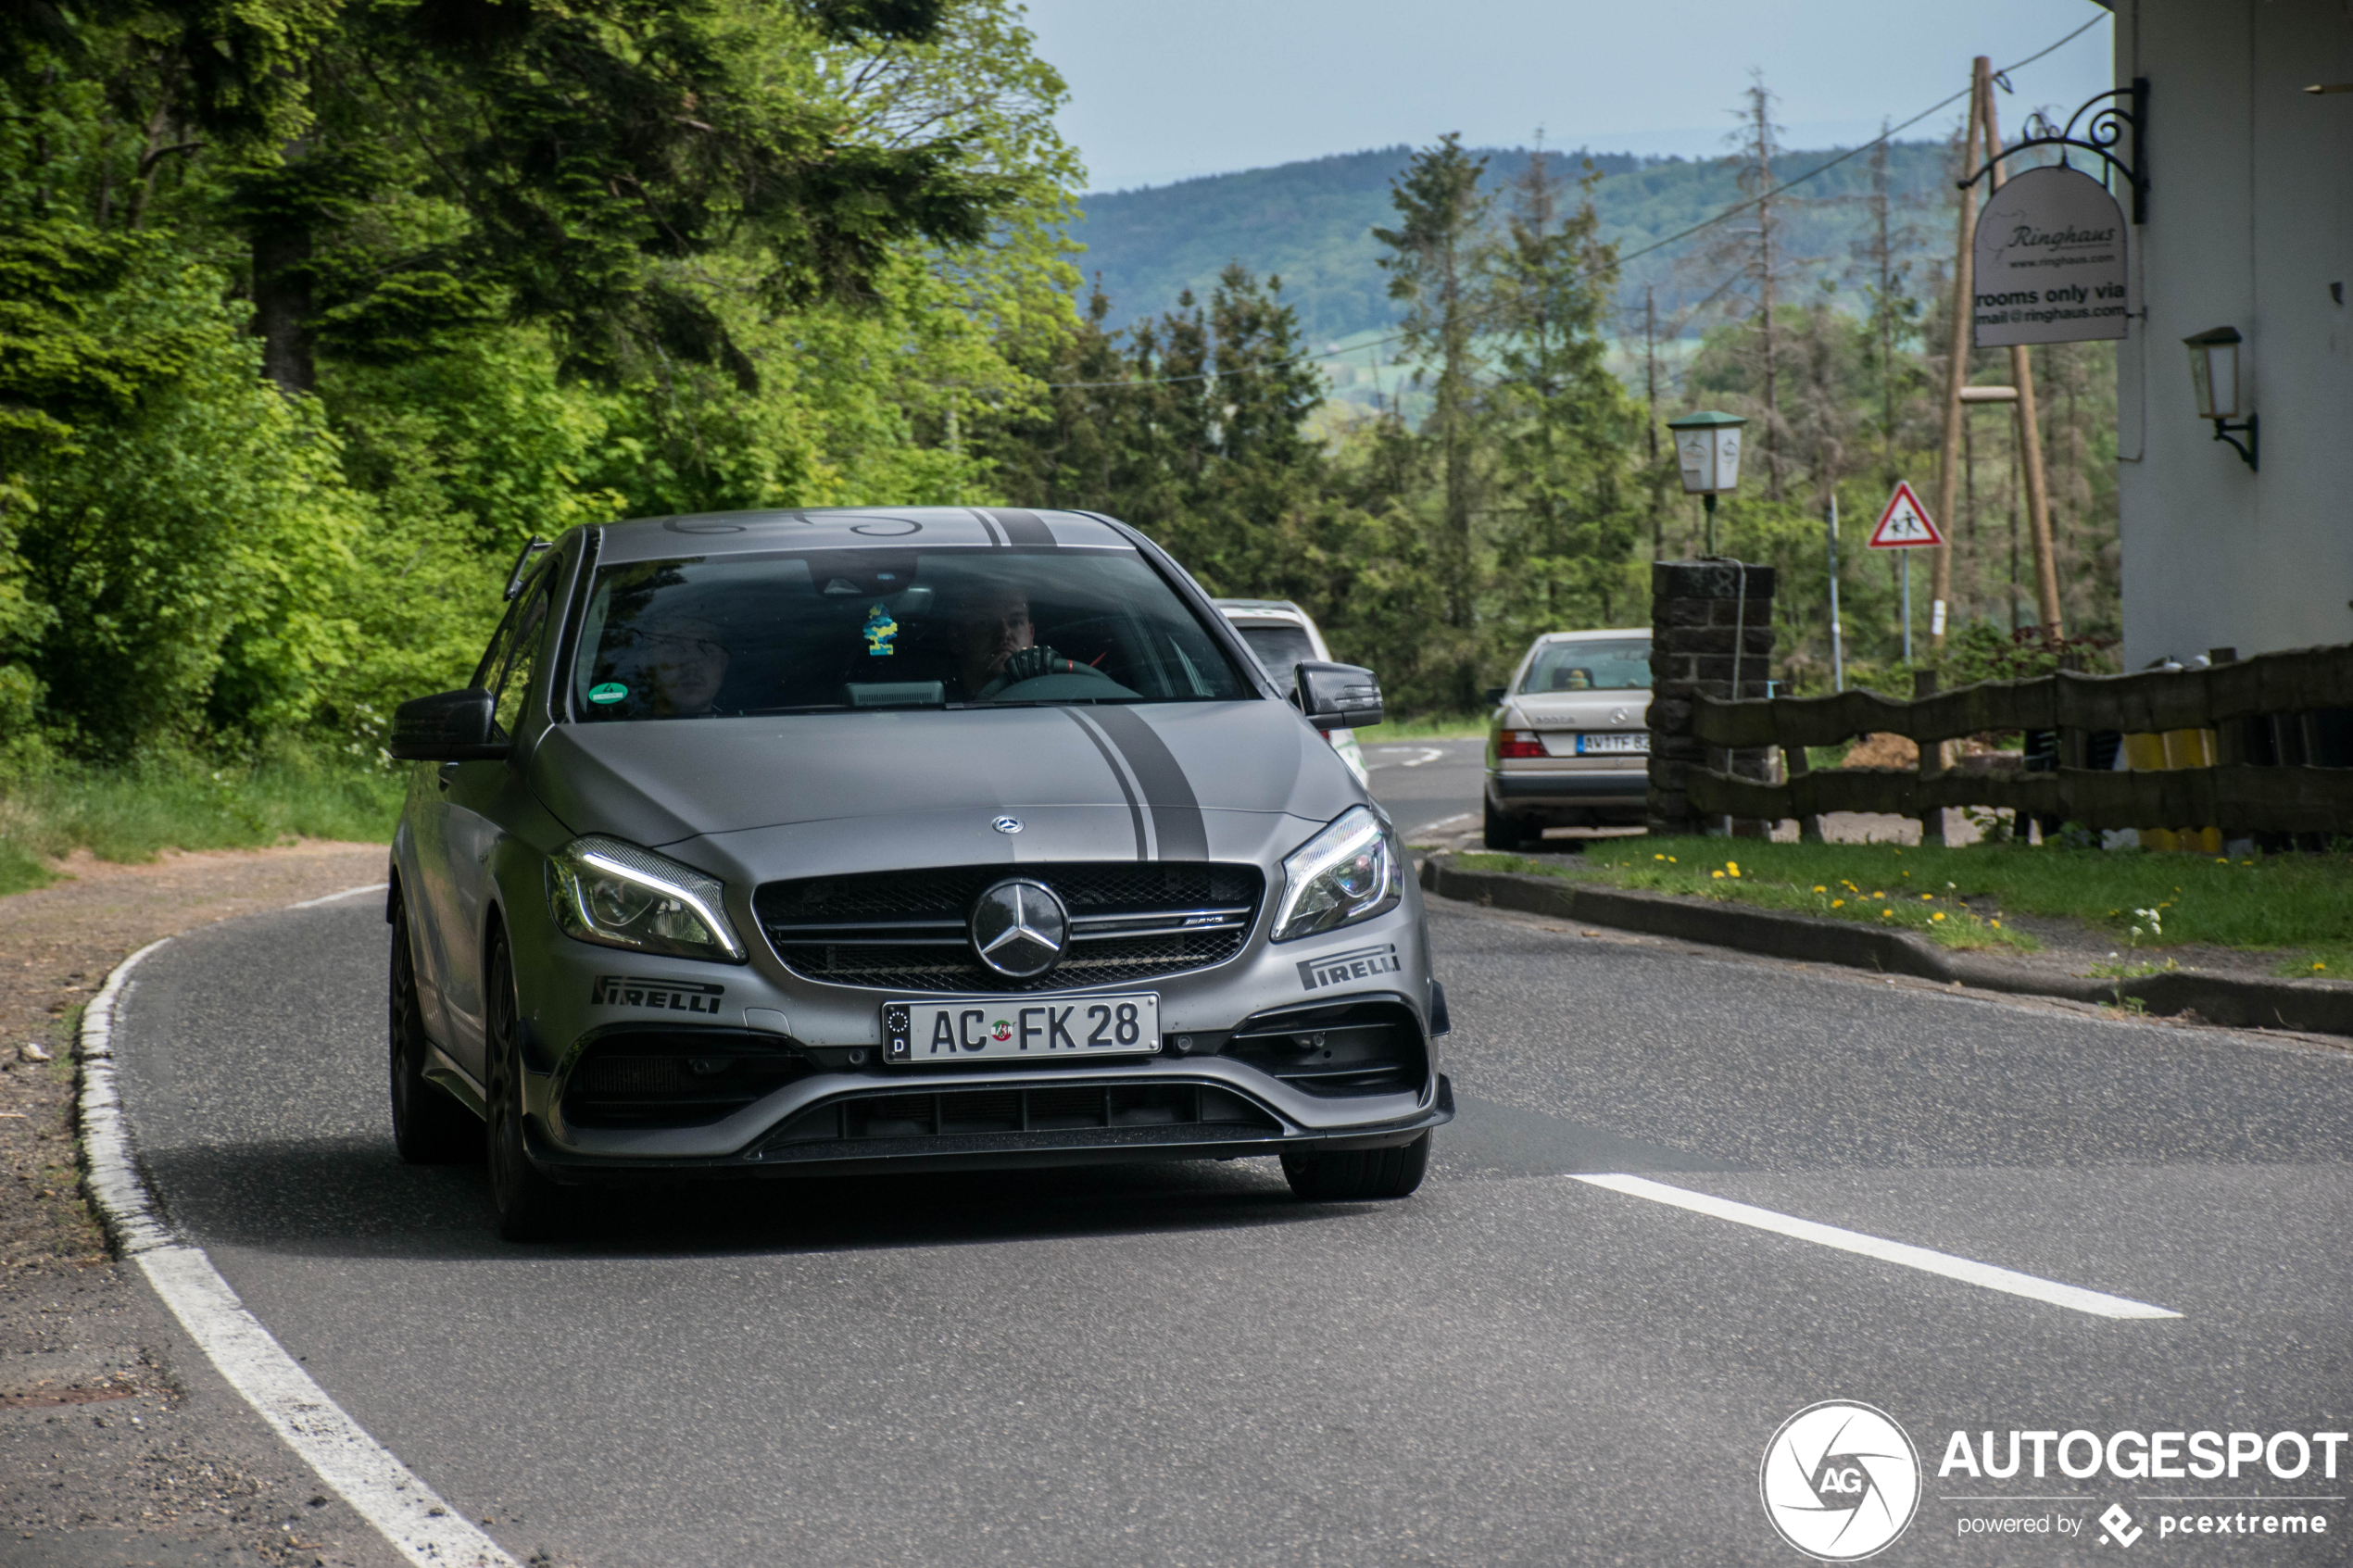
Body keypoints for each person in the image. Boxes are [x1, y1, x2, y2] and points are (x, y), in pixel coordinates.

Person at [951, 583, 1093, 699]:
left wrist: (1054, 682)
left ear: (1031, 634)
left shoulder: (1065, 700)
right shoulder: (935, 705)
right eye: (986, 623)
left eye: (1015, 622)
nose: (1004, 633)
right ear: (956, 638)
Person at [641, 620, 729, 716]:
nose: (692, 666)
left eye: (706, 650)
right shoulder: (622, 727)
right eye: (674, 650)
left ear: (723, 664)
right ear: (646, 666)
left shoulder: (745, 726)